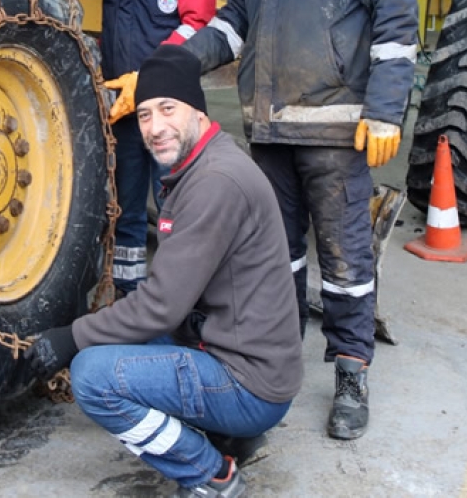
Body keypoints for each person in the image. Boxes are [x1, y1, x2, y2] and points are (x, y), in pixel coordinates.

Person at [182, 0, 418, 441]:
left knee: (345, 258)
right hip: (271, 131)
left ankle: (350, 370)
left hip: (338, 131)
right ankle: (275, 361)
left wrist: (387, 108)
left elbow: (396, 19)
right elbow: (235, 25)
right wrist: (180, 60)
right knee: (275, 259)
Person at [26, 44, 303, 498]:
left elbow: (160, 307)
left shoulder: (215, 183)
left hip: (249, 383)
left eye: (167, 109)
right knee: (119, 338)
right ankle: (233, 435)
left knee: (93, 376)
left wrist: (70, 337)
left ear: (197, 109)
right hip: (242, 354)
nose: (155, 128)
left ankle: (210, 473)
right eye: (145, 115)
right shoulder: (203, 164)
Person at [50, 0, 221, 294]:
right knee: (126, 207)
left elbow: (196, 23)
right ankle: (129, 301)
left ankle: (179, 303)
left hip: (170, 100)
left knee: (176, 202)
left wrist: (148, 79)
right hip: (122, 99)